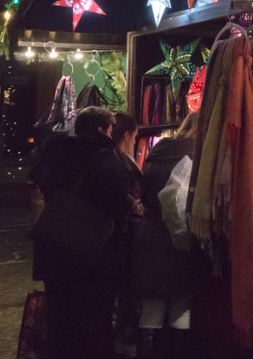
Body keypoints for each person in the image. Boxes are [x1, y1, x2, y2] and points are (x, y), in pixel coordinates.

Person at [30, 106, 131, 359]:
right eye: (110, 129)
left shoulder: (56, 153)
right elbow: (116, 210)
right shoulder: (107, 160)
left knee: (60, 321)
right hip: (91, 259)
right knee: (94, 325)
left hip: (54, 250)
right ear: (101, 130)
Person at [132, 113, 213, 359]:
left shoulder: (156, 154)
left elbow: (145, 195)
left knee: (152, 307)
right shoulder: (196, 157)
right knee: (181, 304)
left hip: (150, 238)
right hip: (179, 240)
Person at [111, 112, 144, 349]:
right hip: (122, 240)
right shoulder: (122, 164)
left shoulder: (101, 158)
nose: (135, 142)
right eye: (134, 137)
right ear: (126, 135)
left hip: (104, 241)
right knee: (125, 294)